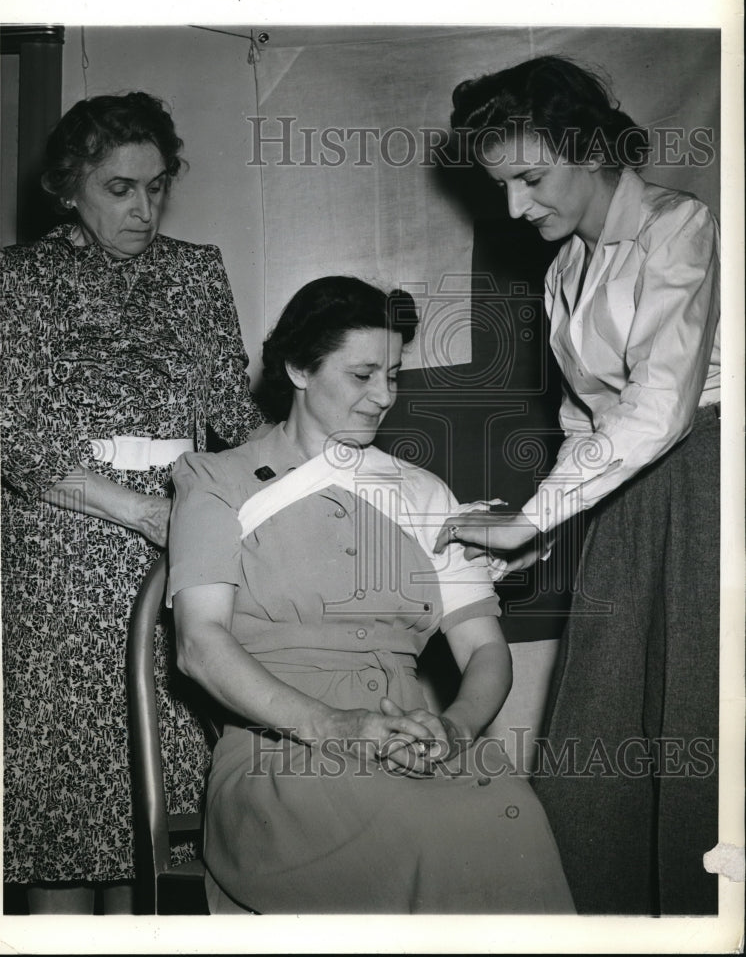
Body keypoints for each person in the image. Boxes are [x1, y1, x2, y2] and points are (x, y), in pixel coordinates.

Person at [167, 276, 575, 914]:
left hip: (415, 738)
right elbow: (199, 644)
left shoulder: (423, 493)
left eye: (393, 375)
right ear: (299, 368)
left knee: (513, 813)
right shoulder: (217, 482)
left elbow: (484, 652)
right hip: (284, 754)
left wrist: (454, 727)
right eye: (362, 375)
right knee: (437, 839)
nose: (384, 396)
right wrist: (337, 728)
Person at [437, 56, 720, 915]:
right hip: (627, 509)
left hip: (709, 491)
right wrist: (532, 531)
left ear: (590, 146)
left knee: (696, 716)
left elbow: (660, 406)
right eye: (503, 187)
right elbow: (583, 429)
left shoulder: (683, 227)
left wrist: (540, 515)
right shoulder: (563, 272)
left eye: (530, 177)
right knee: (606, 727)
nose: (517, 207)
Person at [1, 92, 263, 913]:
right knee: (69, 818)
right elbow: (20, 447)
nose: (144, 208)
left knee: (154, 811)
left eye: (157, 187)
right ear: (70, 185)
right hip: (65, 566)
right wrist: (150, 515)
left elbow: (238, 416)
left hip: (179, 555)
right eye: (121, 188)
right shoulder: (21, 280)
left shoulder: (195, 271)